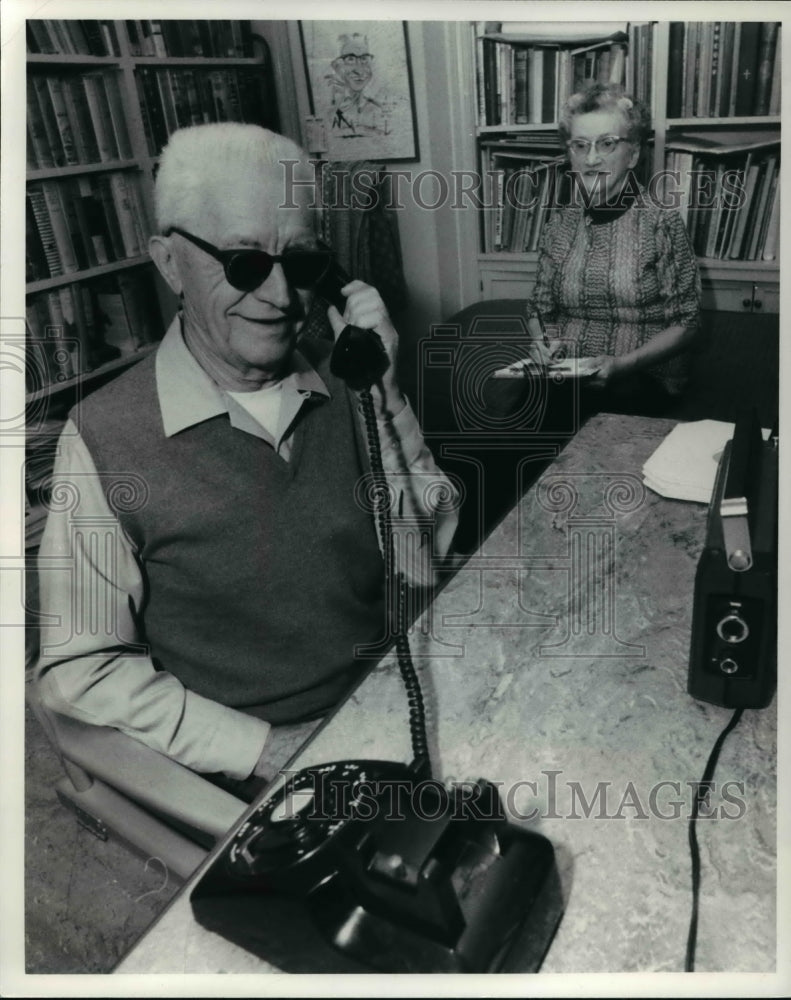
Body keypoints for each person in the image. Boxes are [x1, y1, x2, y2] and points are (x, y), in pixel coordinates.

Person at [32, 124, 458, 800]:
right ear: (170, 263)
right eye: (244, 263)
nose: (282, 298)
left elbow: (426, 551)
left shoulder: (347, 385)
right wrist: (267, 750)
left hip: (385, 697)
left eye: (303, 263)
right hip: (254, 762)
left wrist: (383, 392)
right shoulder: (104, 437)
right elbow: (80, 673)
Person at [524, 83, 701, 416]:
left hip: (642, 378)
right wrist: (543, 342)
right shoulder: (558, 226)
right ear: (569, 154)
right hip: (567, 375)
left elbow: (687, 324)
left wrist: (623, 364)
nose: (592, 159)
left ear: (633, 154)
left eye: (607, 144)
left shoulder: (661, 223)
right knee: (521, 418)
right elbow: (539, 308)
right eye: (580, 145)